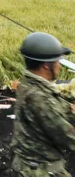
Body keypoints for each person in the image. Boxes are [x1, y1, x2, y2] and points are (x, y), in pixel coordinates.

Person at [10, 32, 75, 176]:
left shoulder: (27, 84)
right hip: (39, 170)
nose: (59, 65)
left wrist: (70, 110)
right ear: (46, 66)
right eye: (58, 61)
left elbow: (56, 109)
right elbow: (67, 136)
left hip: (27, 165)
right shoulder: (40, 97)